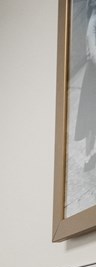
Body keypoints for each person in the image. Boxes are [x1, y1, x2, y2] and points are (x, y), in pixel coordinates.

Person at [76, 0, 96, 170]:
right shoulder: (94, 19)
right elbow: (91, 41)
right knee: (91, 117)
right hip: (94, 74)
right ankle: (88, 157)